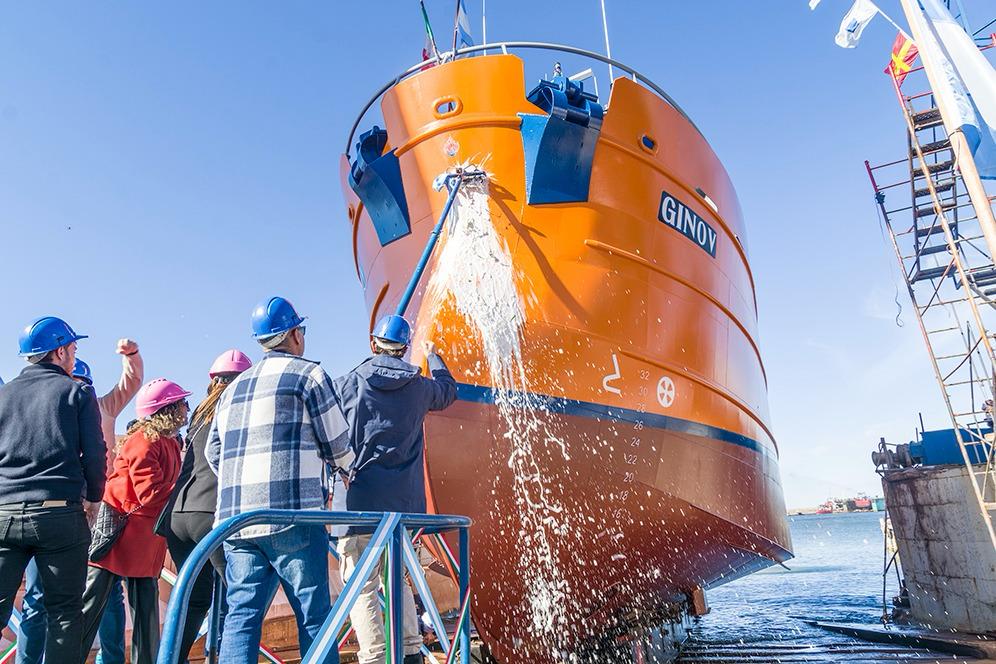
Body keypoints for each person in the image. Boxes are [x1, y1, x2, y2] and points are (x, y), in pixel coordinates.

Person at [206, 296, 354, 664]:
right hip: (294, 516)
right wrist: (348, 470)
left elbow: (214, 453)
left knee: (241, 617)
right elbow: (338, 443)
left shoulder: (233, 390)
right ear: (294, 335)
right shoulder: (309, 375)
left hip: (236, 523)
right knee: (314, 616)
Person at [333, 314, 457, 664]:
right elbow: (448, 391)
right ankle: (410, 650)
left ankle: (374, 657)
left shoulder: (350, 382)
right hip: (402, 508)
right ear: (404, 349)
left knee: (362, 585)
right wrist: (433, 357)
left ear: (374, 344)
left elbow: (324, 422)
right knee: (398, 578)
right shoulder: (419, 387)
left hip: (356, 504)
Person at [17, 339, 143, 664]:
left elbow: (130, 383)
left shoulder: (100, 406)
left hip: (98, 512)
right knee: (42, 595)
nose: (77, 388)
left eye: (82, 384)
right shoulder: (47, 410)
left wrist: (131, 356)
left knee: (104, 591)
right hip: (61, 511)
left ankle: (109, 659)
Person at [0, 316, 105, 663]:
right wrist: (93, 499)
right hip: (59, 516)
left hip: (4, 515)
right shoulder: (76, 392)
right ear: (59, 351)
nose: (75, 354)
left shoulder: (4, 395)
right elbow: (94, 453)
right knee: (64, 614)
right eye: (73, 347)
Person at [80, 378, 188, 664]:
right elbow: (150, 492)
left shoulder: (166, 441)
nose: (187, 409)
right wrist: (187, 490)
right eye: (182, 403)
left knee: (142, 616)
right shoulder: (145, 442)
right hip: (121, 538)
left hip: (141, 539)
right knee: (93, 609)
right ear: (169, 409)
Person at [163, 349, 251, 662]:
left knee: (194, 598)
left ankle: (173, 657)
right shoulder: (237, 407)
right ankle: (224, 655)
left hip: (177, 516)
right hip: (210, 515)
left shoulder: (200, 413)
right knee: (240, 595)